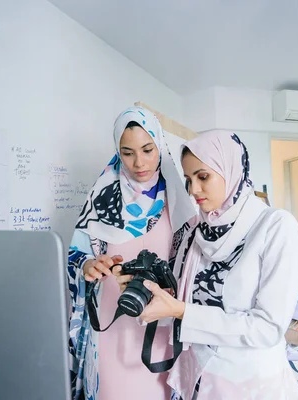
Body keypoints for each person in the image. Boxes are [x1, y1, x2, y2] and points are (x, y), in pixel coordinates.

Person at [137, 131, 298, 400]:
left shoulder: (275, 226)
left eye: (203, 177)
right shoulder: (195, 230)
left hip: (248, 383)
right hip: (197, 375)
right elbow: (182, 297)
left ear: (232, 170)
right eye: (188, 179)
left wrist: (182, 312)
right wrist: (148, 292)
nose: (193, 190)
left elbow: (267, 329)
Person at [67, 106, 196, 400]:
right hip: (111, 324)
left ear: (159, 145)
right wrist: (89, 265)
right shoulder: (100, 201)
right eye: (128, 152)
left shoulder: (183, 201)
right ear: (117, 151)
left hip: (162, 327)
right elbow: (76, 257)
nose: (140, 162)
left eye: (148, 149)